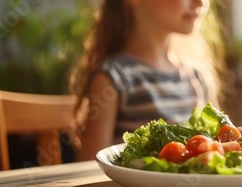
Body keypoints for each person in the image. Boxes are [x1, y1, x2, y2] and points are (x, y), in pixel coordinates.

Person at [68, 0, 230, 161]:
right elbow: (92, 165)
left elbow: (218, 148)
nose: (200, 2)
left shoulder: (197, 77)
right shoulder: (112, 79)